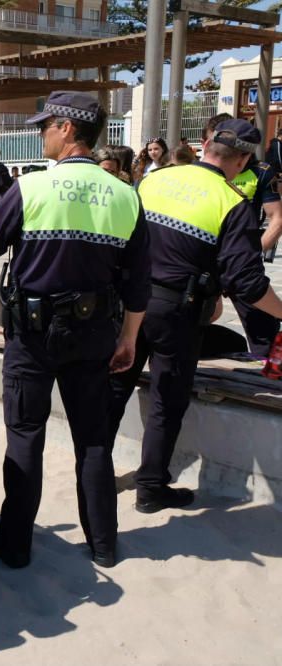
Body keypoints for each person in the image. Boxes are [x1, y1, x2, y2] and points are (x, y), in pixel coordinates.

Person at [0, 91, 151, 568]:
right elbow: (138, 285)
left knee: (26, 435)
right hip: (94, 337)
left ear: (67, 129)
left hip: (31, 337)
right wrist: (129, 339)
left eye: (44, 126)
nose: (41, 133)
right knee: (93, 440)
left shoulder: (32, 188)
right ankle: (104, 545)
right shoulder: (126, 196)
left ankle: (15, 545)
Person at [109, 118, 282, 514]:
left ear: (206, 146)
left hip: (129, 302)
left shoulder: (153, 180)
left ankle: (96, 474)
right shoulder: (232, 203)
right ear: (241, 159)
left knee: (115, 388)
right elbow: (249, 284)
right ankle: (151, 488)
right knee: (168, 401)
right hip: (177, 313)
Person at [205, 115, 281, 357]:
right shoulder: (197, 173)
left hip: (241, 258)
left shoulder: (261, 172)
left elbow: (276, 219)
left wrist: (250, 254)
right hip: (205, 259)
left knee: (263, 327)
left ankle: (268, 368)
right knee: (199, 318)